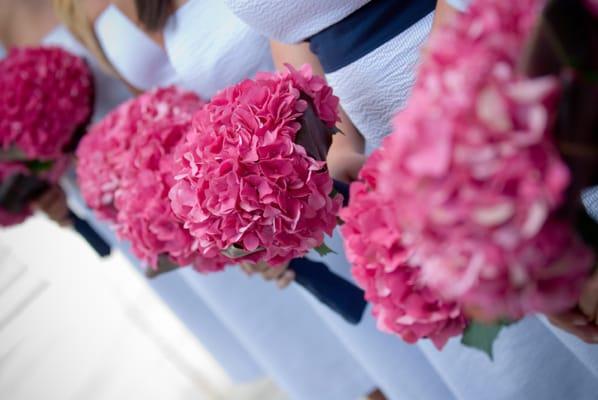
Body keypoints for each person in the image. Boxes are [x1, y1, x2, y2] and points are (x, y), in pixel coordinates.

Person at [223, 0, 598, 398]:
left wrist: (441, 132)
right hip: (415, 156)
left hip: (503, 93)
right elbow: (293, 25)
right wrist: (340, 144)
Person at [54, 1, 379, 399]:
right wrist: (226, 223)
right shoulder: (103, 10)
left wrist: (325, 149)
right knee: (380, 364)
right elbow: (176, 88)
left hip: (343, 123)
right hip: (276, 196)